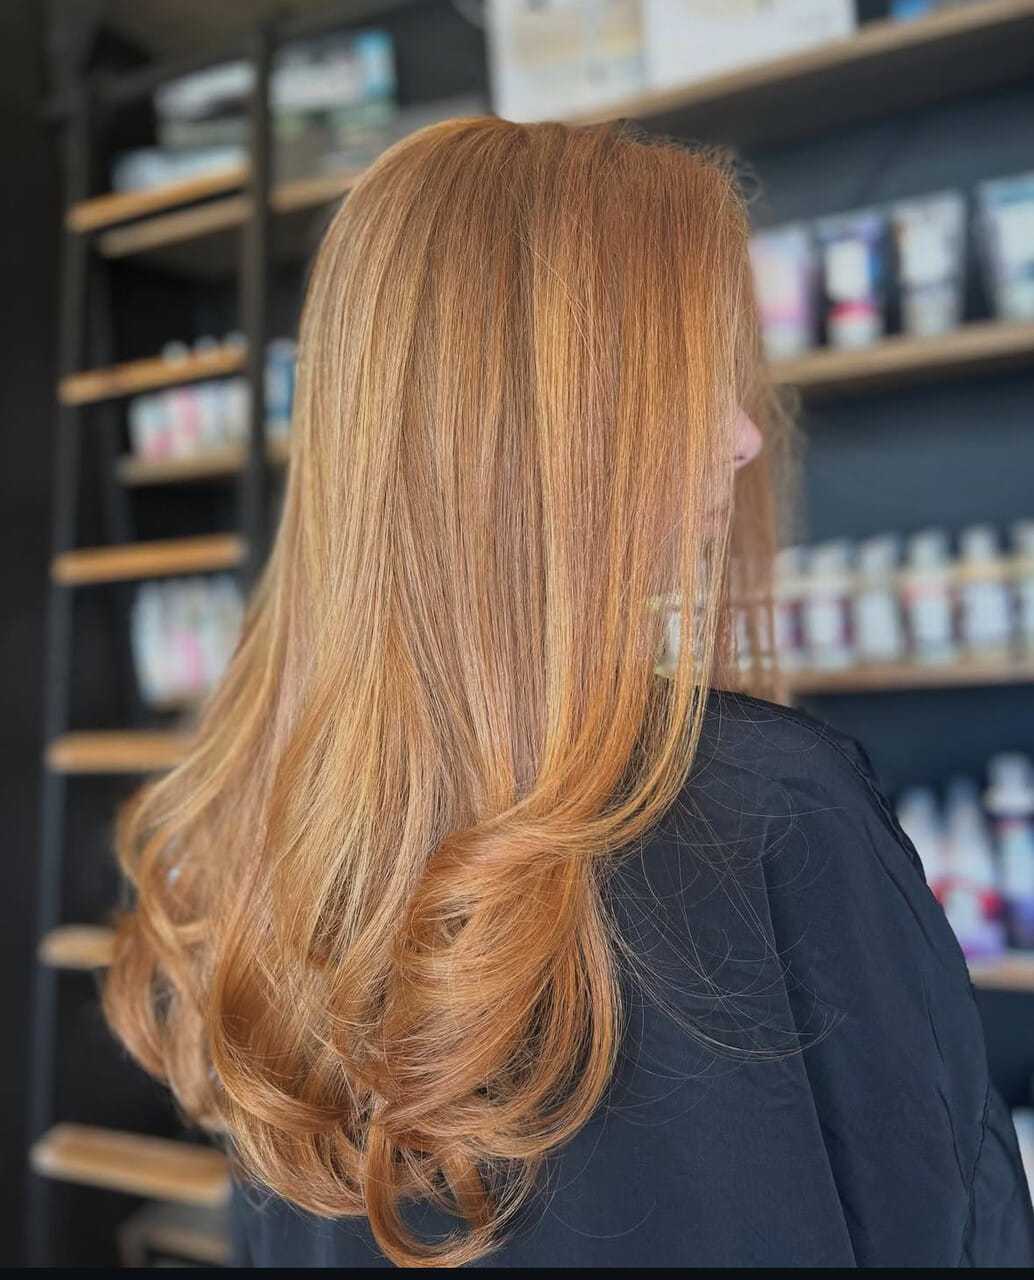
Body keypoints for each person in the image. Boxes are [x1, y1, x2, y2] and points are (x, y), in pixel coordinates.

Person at [102, 117, 1034, 1269]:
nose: (742, 438)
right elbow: (952, 1223)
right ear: (532, 428)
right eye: (679, 381)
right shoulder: (766, 813)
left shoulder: (253, 823)